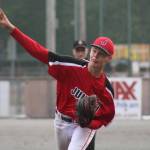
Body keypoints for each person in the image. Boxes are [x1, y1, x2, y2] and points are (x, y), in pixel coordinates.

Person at [0, 9, 115, 150]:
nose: (95, 56)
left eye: (101, 54)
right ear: (90, 50)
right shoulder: (70, 67)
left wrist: (90, 124)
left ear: (108, 58)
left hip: (83, 127)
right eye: (94, 51)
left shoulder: (106, 89)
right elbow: (38, 51)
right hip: (61, 122)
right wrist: (11, 29)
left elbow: (107, 116)